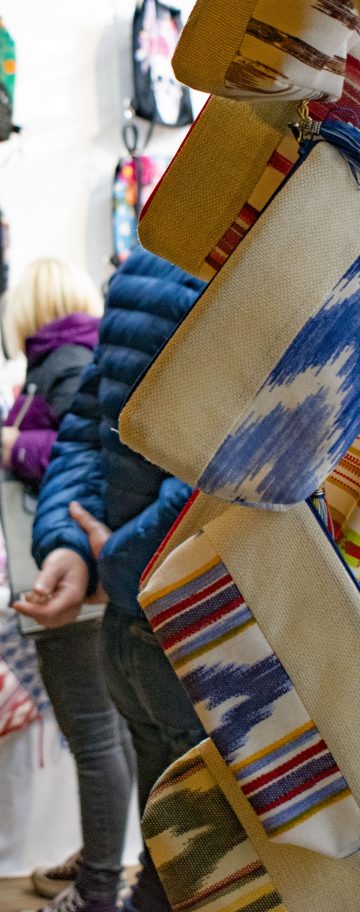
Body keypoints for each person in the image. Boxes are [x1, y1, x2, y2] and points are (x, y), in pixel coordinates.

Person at [14, 246, 206, 912]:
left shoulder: (310, 229)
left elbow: (245, 451)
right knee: (164, 859)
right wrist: (74, 544)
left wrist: (120, 556)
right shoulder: (153, 254)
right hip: (136, 617)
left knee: (204, 861)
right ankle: (104, 883)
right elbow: (94, 429)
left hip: (208, 612)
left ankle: (97, 883)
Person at [1, 258, 135, 912]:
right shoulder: (73, 359)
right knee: (107, 727)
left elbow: (79, 461)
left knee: (93, 731)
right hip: (78, 569)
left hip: (68, 572)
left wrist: (10, 446)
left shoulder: (64, 363)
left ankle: (98, 886)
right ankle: (100, 865)